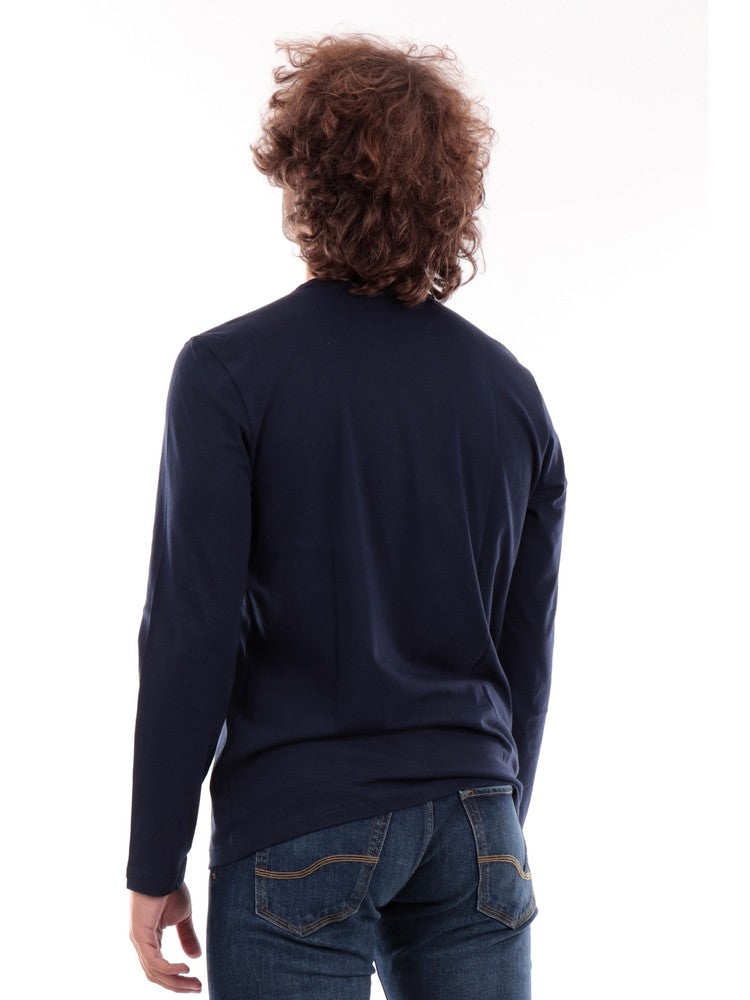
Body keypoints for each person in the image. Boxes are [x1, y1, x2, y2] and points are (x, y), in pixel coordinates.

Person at [126, 32, 567, 1000]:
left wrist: (154, 857)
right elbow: (525, 654)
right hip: (479, 817)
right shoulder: (511, 395)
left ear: (302, 180)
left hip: (301, 818)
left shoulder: (230, 373)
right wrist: (495, 818)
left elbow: (192, 629)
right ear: (449, 194)